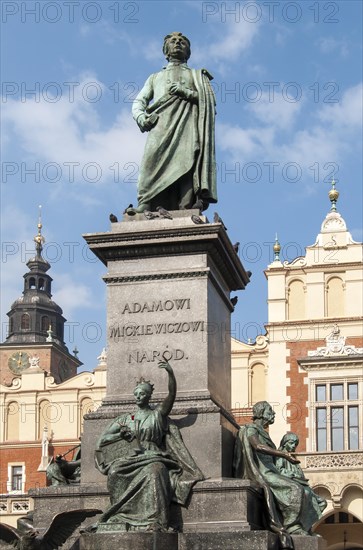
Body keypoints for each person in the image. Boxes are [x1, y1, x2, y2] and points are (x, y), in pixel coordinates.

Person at [94, 360, 203, 532]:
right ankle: (119, 515)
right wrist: (120, 435)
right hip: (130, 457)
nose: (138, 396)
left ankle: (156, 521)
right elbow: (104, 439)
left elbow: (171, 395)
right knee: (115, 472)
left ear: (148, 396)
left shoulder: (157, 414)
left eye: (142, 394)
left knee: (155, 471)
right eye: (136, 394)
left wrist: (170, 374)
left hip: (153, 455)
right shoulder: (124, 419)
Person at [129, 32, 217, 213]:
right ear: (165, 50)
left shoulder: (197, 76)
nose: (177, 43)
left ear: (188, 51)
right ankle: (145, 203)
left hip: (187, 126)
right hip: (160, 126)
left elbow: (209, 103)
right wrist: (140, 117)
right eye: (173, 41)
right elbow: (139, 102)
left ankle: (185, 207)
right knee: (150, 163)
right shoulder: (154, 77)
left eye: (182, 42)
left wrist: (186, 92)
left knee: (187, 162)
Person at [233, 401, 323, 544]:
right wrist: (284, 455)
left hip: (272, 471)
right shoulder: (251, 429)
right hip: (263, 472)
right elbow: (258, 446)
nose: (273, 413)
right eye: (270, 411)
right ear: (261, 413)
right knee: (294, 489)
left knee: (307, 492)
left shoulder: (264, 432)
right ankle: (291, 526)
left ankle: (303, 527)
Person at [277, 433, 327, 516]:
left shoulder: (292, 457)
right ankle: (298, 522)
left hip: (301, 484)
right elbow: (279, 470)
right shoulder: (281, 456)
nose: (294, 446)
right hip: (292, 484)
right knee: (306, 496)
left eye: (295, 444)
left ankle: (306, 523)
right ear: (284, 443)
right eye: (291, 443)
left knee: (322, 502)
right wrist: (294, 475)